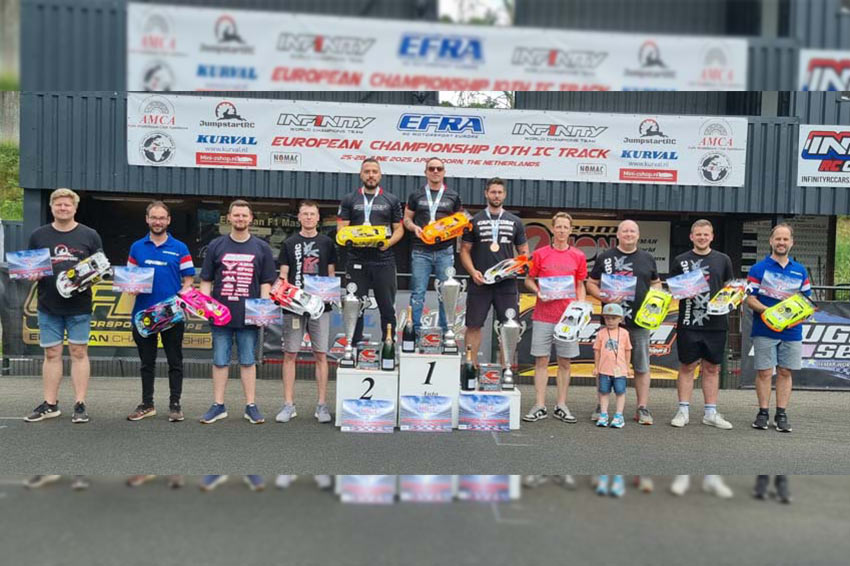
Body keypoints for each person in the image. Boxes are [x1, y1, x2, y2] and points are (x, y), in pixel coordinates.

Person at [23, 188, 103, 424]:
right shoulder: (38, 235)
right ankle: (50, 404)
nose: (63, 208)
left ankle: (80, 404)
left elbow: (101, 268)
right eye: (58, 204)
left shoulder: (90, 235)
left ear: (75, 208)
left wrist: (88, 278)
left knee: (79, 352)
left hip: (79, 305)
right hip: (48, 305)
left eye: (67, 205)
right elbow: (30, 267)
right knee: (51, 353)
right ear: (51, 207)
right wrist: (31, 274)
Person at [198, 200, 277, 425]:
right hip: (221, 315)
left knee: (248, 361)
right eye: (236, 215)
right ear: (229, 218)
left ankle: (251, 406)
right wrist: (204, 306)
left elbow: (266, 282)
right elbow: (206, 280)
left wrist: (263, 309)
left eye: (244, 215)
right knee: (220, 360)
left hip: (249, 316)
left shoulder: (261, 247)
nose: (240, 219)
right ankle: (218, 405)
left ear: (251, 219)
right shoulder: (216, 245)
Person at [586, 220, 661, 425]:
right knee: (604, 365)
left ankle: (642, 408)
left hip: (640, 321)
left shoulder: (647, 258)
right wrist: (604, 296)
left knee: (641, 366)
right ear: (618, 235)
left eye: (632, 231)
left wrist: (656, 297)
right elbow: (591, 283)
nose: (629, 234)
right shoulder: (605, 257)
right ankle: (601, 407)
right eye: (625, 231)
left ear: (638, 235)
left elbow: (656, 282)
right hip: (611, 322)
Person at [126, 201, 195, 423]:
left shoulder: (180, 248)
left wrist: (182, 297)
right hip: (144, 315)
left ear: (168, 220)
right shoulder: (137, 247)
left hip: (171, 315)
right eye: (154, 218)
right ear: (147, 219)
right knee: (147, 363)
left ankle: (175, 404)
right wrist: (131, 287)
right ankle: (147, 404)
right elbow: (130, 278)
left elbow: (189, 280)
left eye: (162, 218)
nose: (158, 222)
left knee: (175, 362)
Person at [745, 224, 811, 433]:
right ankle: (763, 413)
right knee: (765, 372)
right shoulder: (758, 269)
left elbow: (806, 301)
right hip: (764, 329)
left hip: (792, 330)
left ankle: (781, 414)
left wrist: (800, 314)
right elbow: (750, 299)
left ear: (792, 242)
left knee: (785, 371)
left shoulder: (800, 270)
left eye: (785, 239)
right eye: (778, 239)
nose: (781, 243)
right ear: (771, 241)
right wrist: (770, 312)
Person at [669, 219, 735, 430]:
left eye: (706, 234)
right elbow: (673, 290)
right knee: (687, 366)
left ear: (712, 236)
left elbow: (730, 288)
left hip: (716, 323)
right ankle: (683, 411)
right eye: (698, 234)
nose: (702, 238)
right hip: (689, 321)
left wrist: (732, 298)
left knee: (712, 368)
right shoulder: (681, 260)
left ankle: (710, 413)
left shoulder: (723, 259)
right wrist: (683, 291)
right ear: (691, 237)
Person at [276, 200, 337, 424]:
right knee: (290, 354)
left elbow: (331, 274)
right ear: (299, 217)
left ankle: (322, 405)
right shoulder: (289, 243)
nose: (309, 217)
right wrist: (281, 293)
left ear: (318, 218)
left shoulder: (327, 243)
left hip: (320, 307)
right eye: (305, 214)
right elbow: (284, 274)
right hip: (293, 306)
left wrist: (329, 295)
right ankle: (288, 404)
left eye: (312, 214)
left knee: (321, 354)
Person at [522, 212, 587, 424]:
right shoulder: (540, 254)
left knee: (565, 362)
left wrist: (581, 307)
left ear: (570, 230)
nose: (561, 231)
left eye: (565, 227)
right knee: (541, 360)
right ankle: (540, 405)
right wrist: (538, 291)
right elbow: (529, 280)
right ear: (552, 229)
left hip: (568, 318)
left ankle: (561, 405)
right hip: (543, 315)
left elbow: (580, 284)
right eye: (558, 227)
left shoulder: (578, 256)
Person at [459, 178, 529, 364]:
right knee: (473, 325)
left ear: (504, 195)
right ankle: (471, 368)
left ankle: (506, 370)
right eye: (493, 192)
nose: (496, 196)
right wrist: (473, 272)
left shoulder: (515, 221)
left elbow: (524, 251)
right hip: (480, 281)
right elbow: (464, 250)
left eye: (499, 192)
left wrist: (517, 266)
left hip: (506, 283)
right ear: (486, 194)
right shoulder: (474, 221)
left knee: (509, 326)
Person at [337, 158, 404, 344]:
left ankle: (388, 346)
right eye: (367, 172)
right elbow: (341, 228)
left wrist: (388, 243)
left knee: (387, 307)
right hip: (357, 258)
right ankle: (353, 346)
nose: (371, 175)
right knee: (354, 305)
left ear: (380, 175)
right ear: (361, 174)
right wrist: (355, 238)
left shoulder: (391, 199)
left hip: (383, 258)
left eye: (374, 171)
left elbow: (399, 229)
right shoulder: (349, 199)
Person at [403, 157, 463, 337]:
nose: (435, 171)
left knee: (446, 293)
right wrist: (414, 228)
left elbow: (460, 221)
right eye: (431, 168)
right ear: (425, 172)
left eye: (439, 168)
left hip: (445, 251)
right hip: (421, 250)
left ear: (444, 172)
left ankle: (447, 334)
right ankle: (414, 334)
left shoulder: (453, 195)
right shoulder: (416, 195)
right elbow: (406, 219)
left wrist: (452, 231)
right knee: (418, 293)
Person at [592, 303, 632, 429]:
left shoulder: (624, 333)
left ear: (620, 319)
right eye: (607, 318)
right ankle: (603, 413)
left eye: (614, 318)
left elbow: (627, 350)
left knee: (620, 391)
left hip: (620, 370)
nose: (610, 321)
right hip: (604, 369)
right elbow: (597, 350)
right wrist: (596, 367)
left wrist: (627, 366)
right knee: (604, 391)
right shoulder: (601, 333)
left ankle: (619, 415)